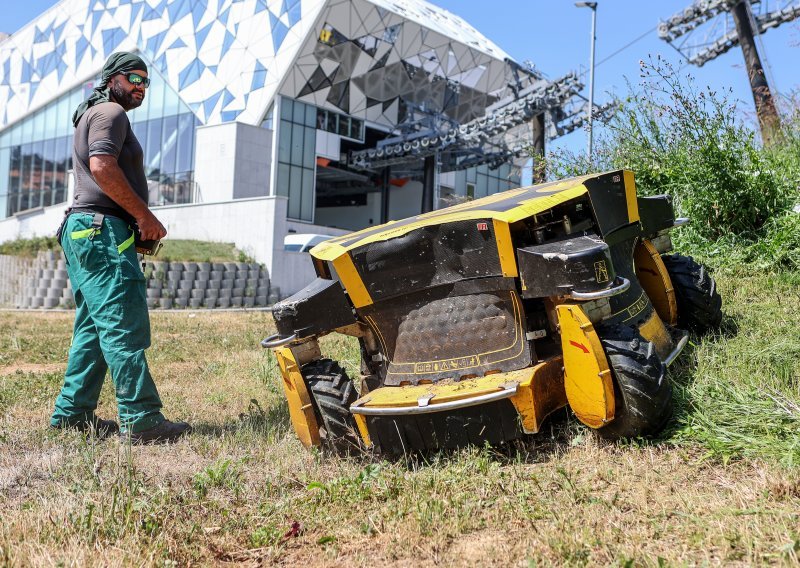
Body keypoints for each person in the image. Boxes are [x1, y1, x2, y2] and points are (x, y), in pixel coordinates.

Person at [50, 52, 191, 444]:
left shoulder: (95, 113)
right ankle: (142, 419)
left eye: (146, 81)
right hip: (100, 230)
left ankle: (72, 415)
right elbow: (102, 167)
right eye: (133, 78)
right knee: (121, 323)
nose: (140, 87)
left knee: (94, 328)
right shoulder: (111, 113)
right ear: (112, 78)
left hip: (87, 230)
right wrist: (144, 217)